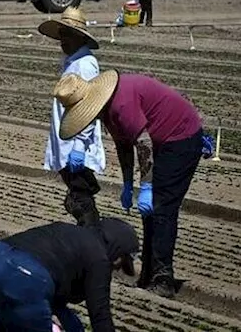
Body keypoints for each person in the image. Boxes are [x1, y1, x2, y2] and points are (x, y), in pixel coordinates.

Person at [55, 70, 213, 298]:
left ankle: (163, 278)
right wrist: (128, 183)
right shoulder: (108, 109)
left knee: (162, 208)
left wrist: (147, 188)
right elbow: (124, 146)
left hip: (181, 137)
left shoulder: (121, 105)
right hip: (159, 139)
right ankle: (149, 273)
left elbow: (143, 144)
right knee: (150, 212)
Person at [0, 218, 138, 332]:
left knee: (15, 313)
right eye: (119, 263)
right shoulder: (99, 258)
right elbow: (100, 315)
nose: (115, 269)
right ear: (116, 249)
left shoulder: (67, 233)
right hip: (22, 276)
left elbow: (47, 300)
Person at [37, 6, 107, 228]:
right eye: (61, 36)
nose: (62, 41)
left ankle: (92, 240)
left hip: (77, 146)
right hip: (67, 140)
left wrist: (78, 144)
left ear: (78, 37)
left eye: (66, 36)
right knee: (78, 198)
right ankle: (90, 238)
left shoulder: (85, 65)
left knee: (80, 200)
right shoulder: (73, 61)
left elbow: (89, 106)